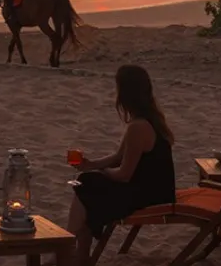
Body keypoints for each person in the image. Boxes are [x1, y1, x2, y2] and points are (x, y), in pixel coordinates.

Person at [66, 65, 176, 266]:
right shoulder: (150, 120)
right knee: (87, 184)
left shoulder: (138, 127)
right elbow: (119, 157)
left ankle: (69, 249)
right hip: (157, 190)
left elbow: (124, 175)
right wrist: (91, 165)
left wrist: (101, 171)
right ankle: (77, 253)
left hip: (150, 195)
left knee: (87, 184)